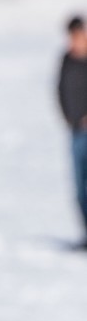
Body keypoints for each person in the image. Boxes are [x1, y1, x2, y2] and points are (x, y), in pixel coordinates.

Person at [58, 15, 87, 246]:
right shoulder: (66, 60)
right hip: (76, 132)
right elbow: (59, 91)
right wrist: (69, 119)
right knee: (79, 189)